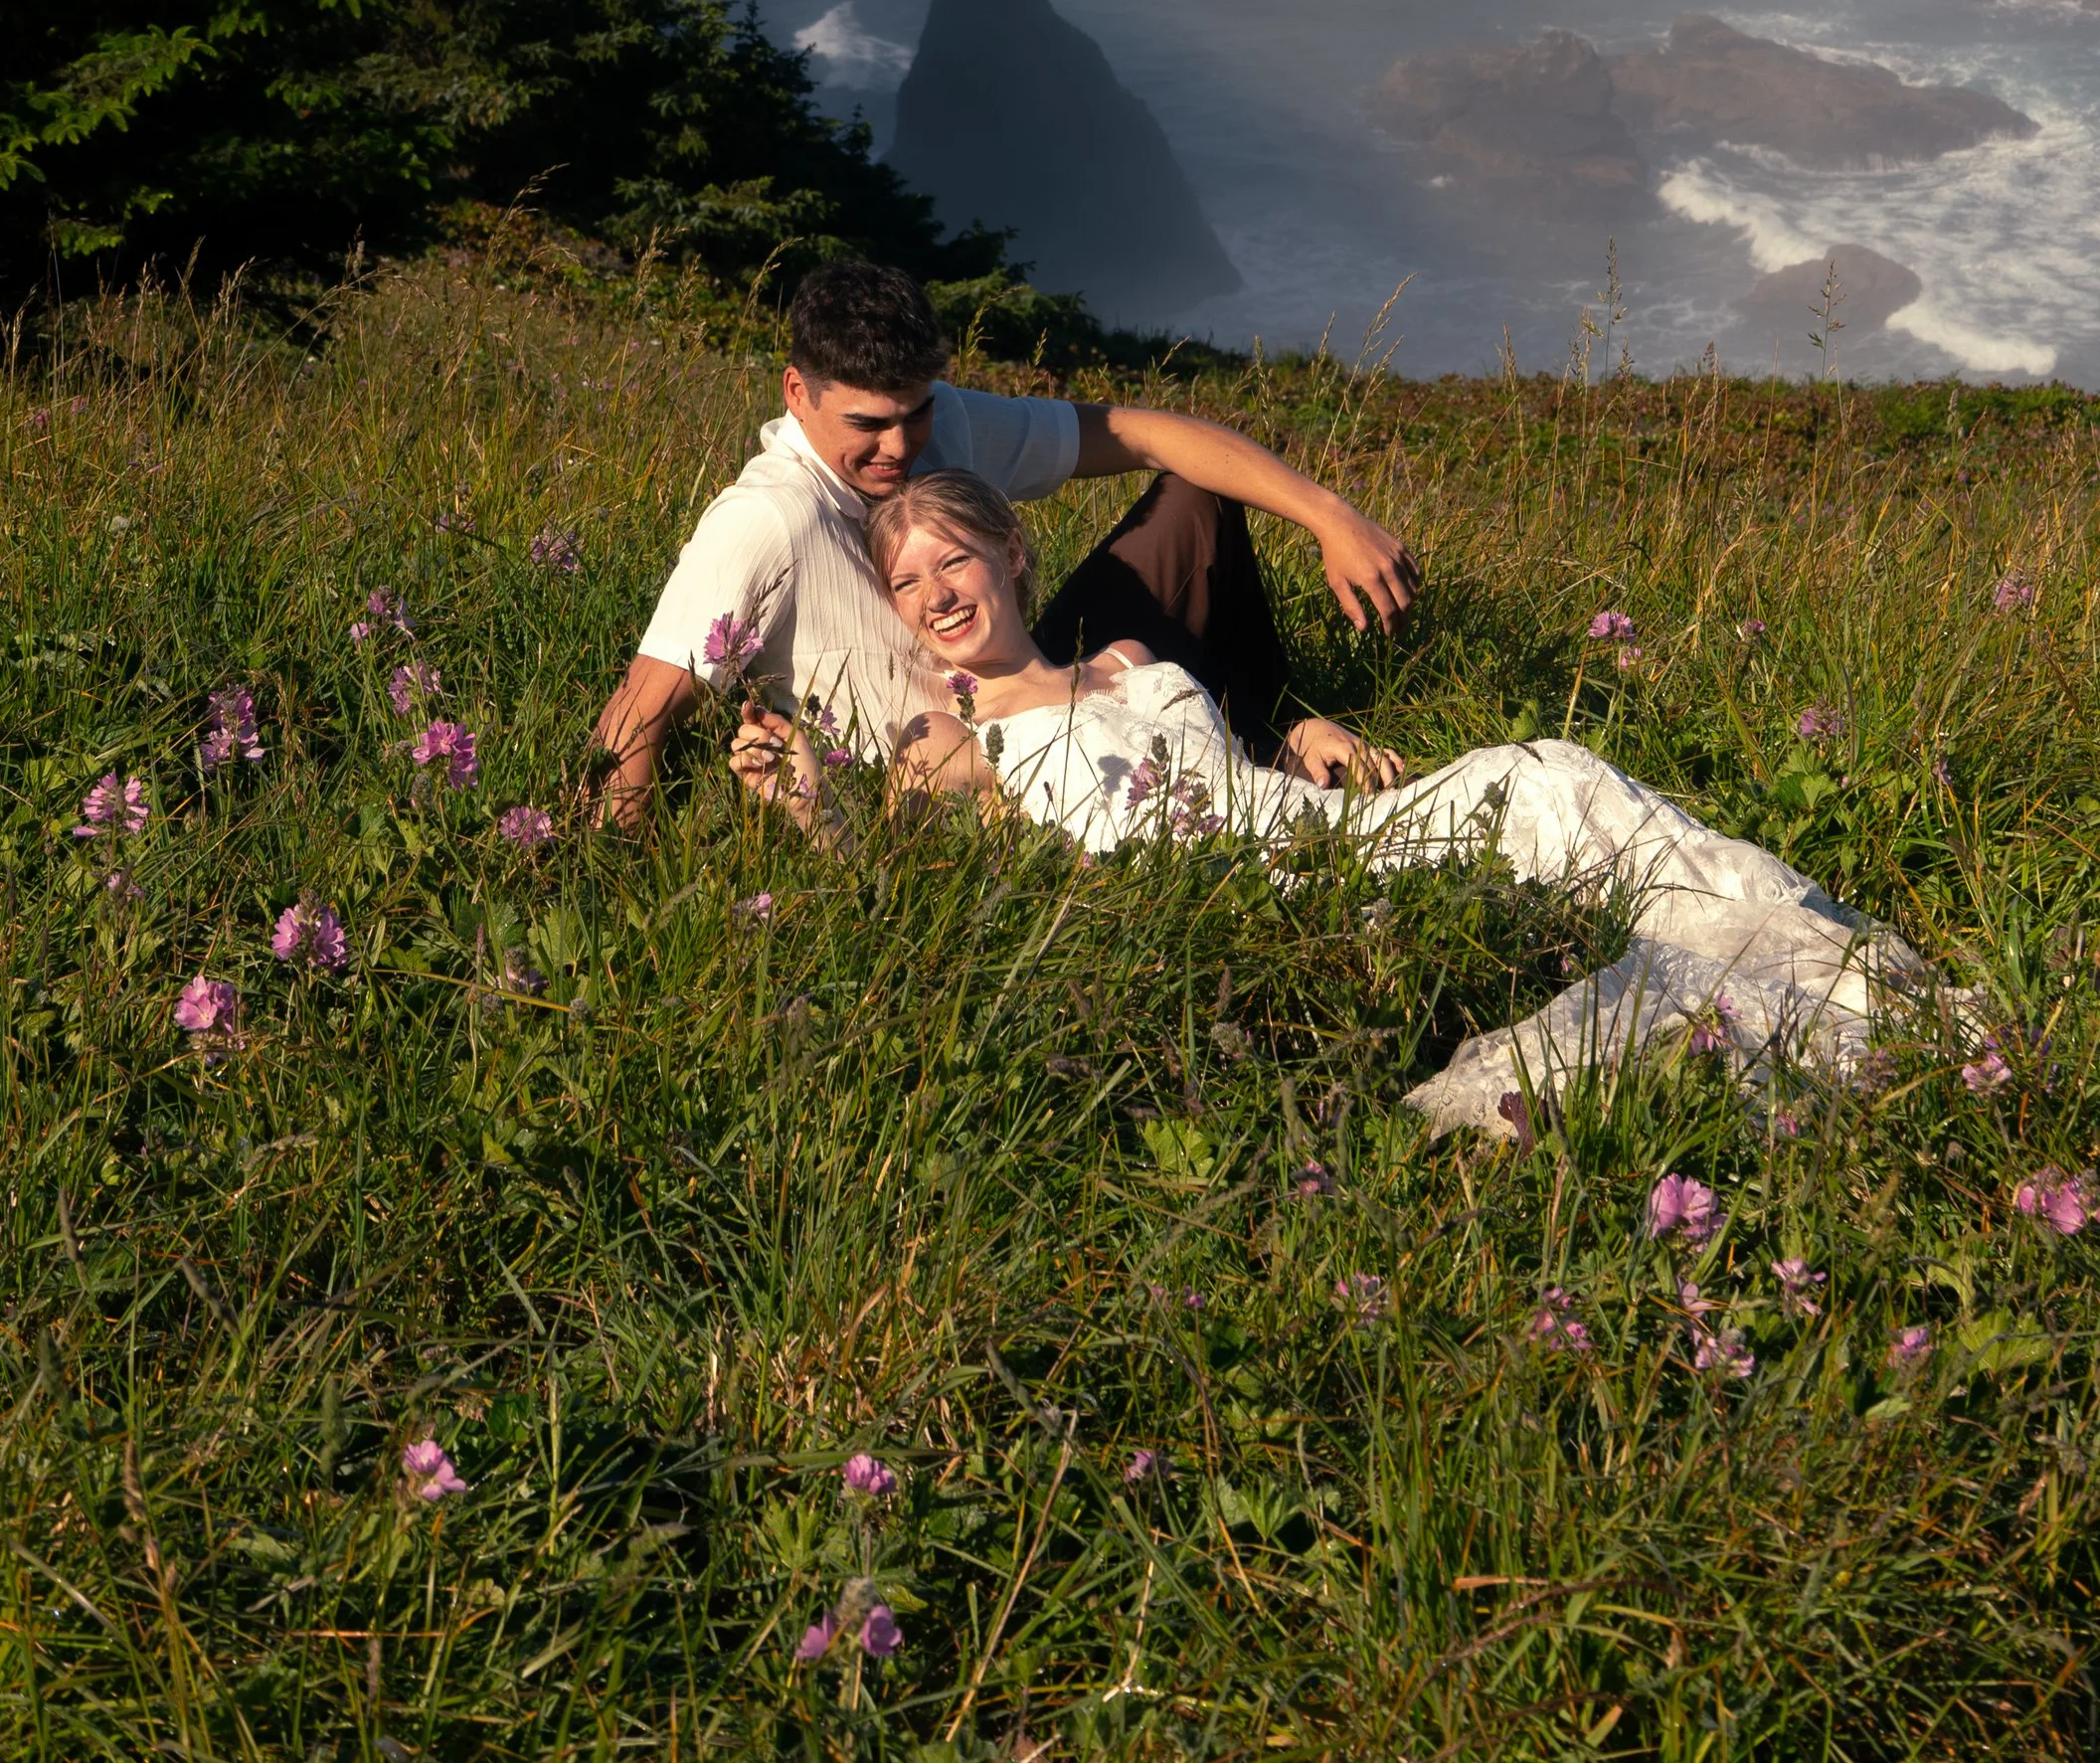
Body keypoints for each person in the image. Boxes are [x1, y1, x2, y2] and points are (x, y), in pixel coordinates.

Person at [728, 466, 1923, 1141]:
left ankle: (1815, 953)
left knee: (1546, 772)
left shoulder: (1129, 653)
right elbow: (884, 881)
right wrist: (802, 807)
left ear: (1010, 560)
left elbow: (1216, 750)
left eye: (954, 562)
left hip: (1313, 827)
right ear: (892, 611)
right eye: (907, 581)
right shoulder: (947, 737)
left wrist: (1299, 726)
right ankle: (1758, 995)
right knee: (1544, 808)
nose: (937, 593)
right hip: (1251, 888)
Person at [589, 258, 1416, 824]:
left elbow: (1145, 433)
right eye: (868, 425)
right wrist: (613, 875)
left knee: (1197, 497)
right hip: (945, 772)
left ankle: (1263, 745)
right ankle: (1265, 761)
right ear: (796, 392)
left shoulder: (936, 421)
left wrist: (1329, 515)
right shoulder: (766, 519)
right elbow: (640, 709)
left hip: (1035, 681)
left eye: (915, 414)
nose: (899, 449)